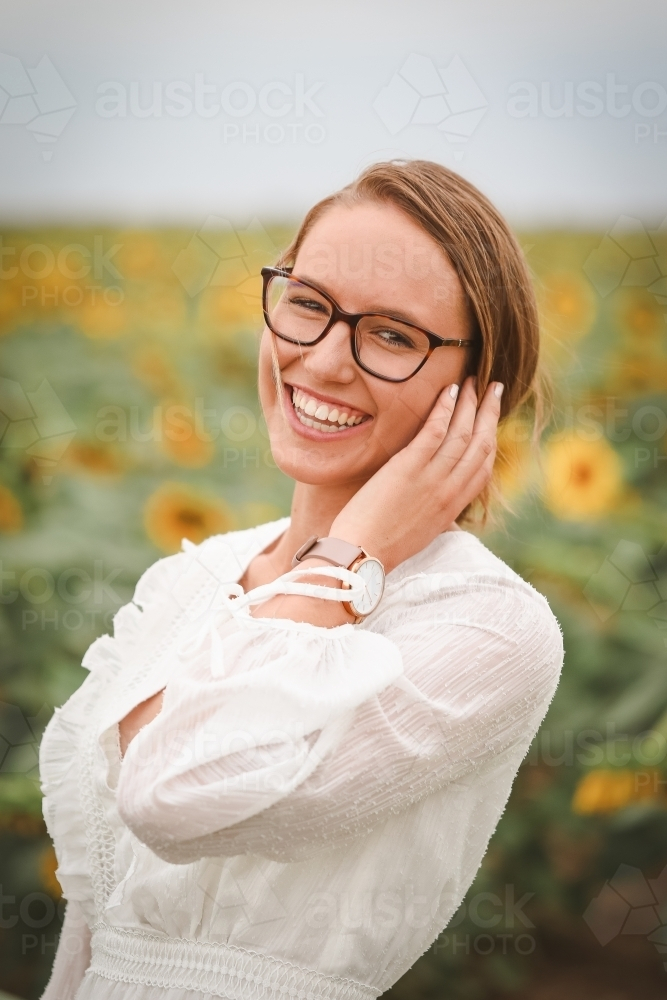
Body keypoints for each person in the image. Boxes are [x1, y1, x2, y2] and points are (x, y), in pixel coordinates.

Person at [40, 159, 563, 1000]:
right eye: (308, 304)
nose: (321, 362)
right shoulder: (197, 576)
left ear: (478, 391)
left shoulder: (487, 626)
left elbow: (173, 793)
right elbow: (98, 934)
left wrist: (349, 556)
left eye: (392, 335)